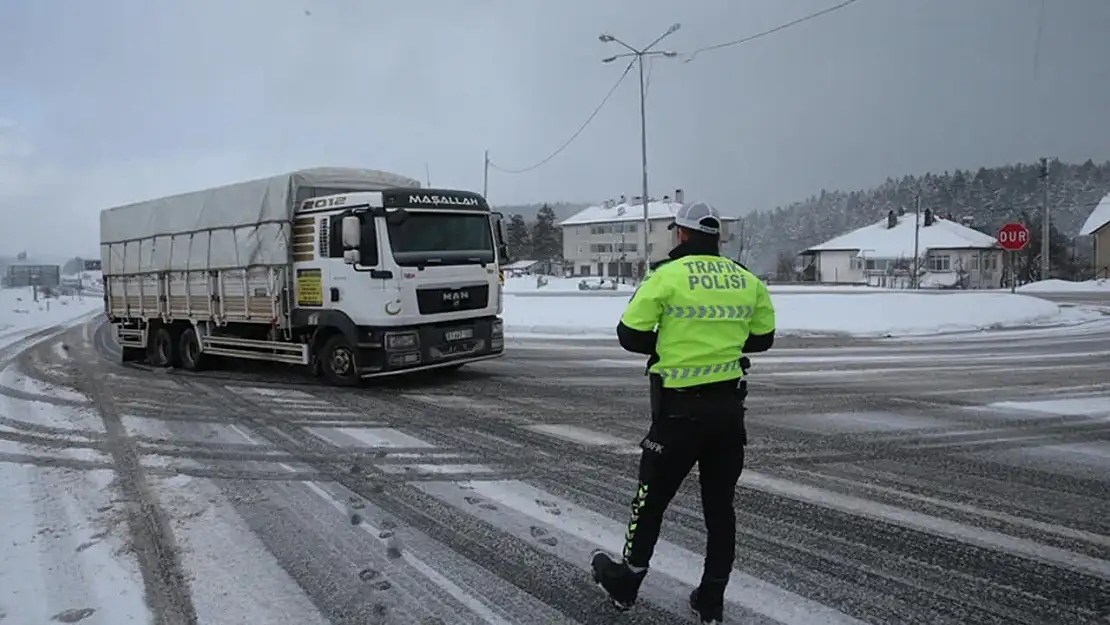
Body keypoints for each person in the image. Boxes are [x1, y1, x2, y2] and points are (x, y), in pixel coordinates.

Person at [590, 201, 776, 624]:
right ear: (718, 238)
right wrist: (720, 345)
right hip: (728, 415)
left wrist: (668, 345)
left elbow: (629, 334)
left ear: (683, 235)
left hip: (677, 415)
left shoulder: (667, 276)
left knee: (650, 501)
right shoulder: (746, 280)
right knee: (720, 509)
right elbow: (763, 339)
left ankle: (626, 583)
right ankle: (710, 600)